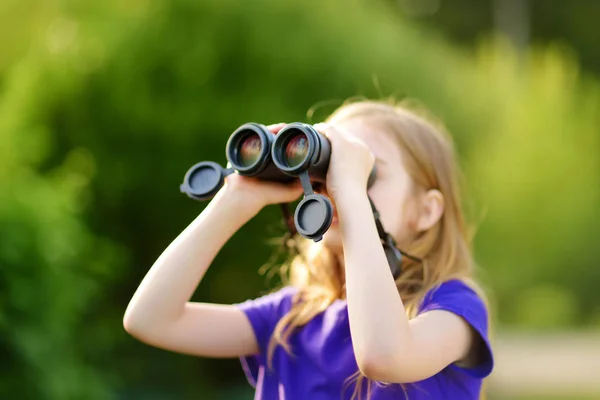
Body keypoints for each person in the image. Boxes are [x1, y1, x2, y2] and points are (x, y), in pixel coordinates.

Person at [123, 99, 495, 400]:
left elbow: (383, 355)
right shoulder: (290, 318)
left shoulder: (452, 308)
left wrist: (351, 192)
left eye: (367, 173)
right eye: (326, 169)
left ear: (426, 210)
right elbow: (150, 319)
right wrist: (235, 199)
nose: (333, 185)